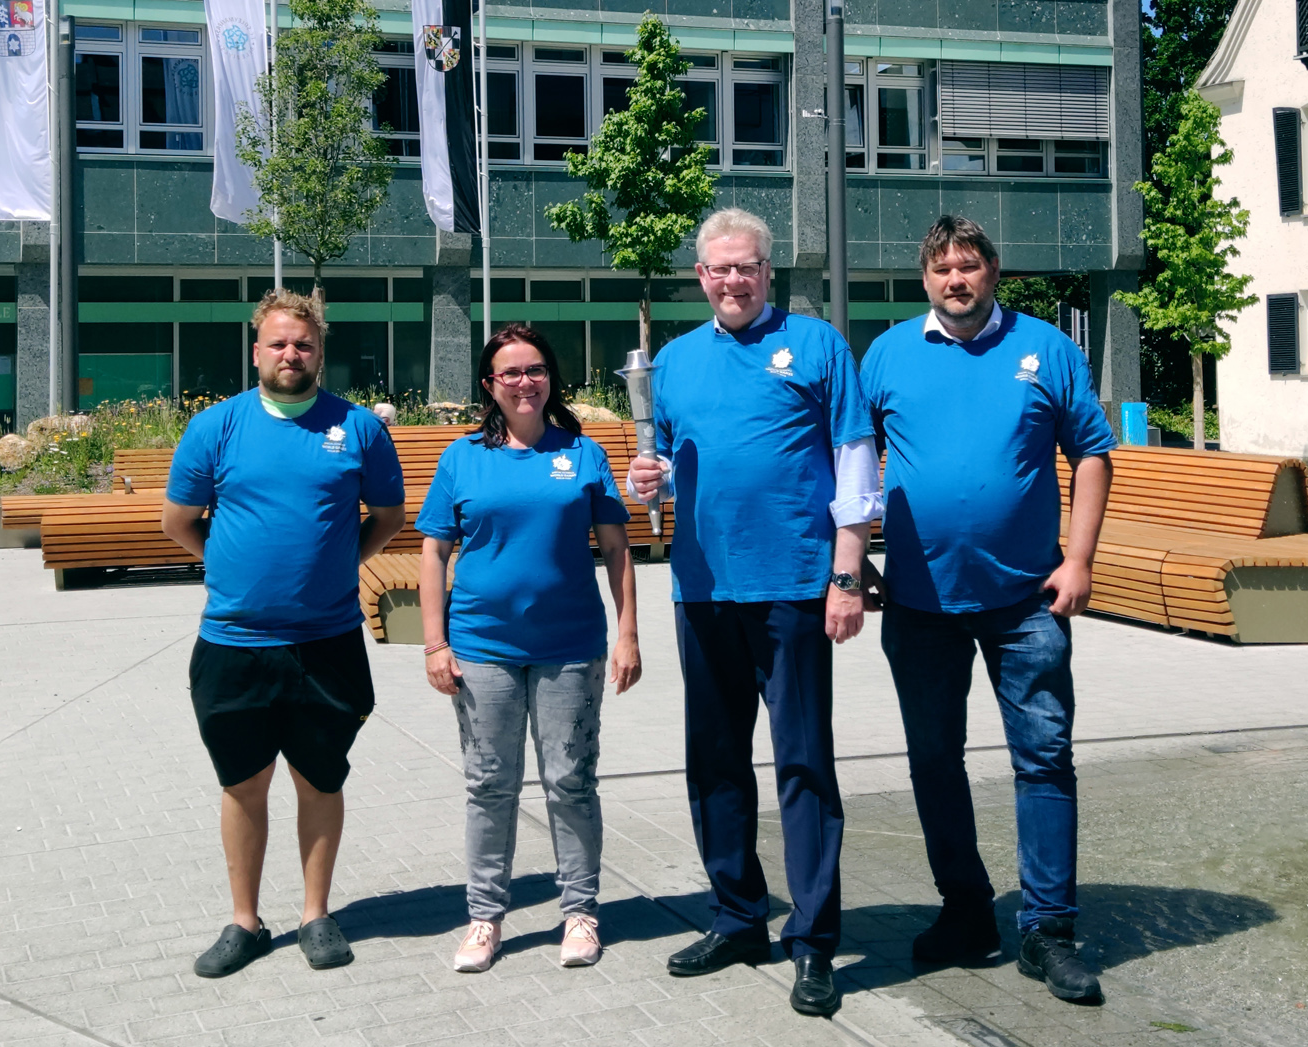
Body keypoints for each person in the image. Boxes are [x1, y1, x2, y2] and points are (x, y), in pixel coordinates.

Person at [627, 207, 880, 1017]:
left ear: (768, 272)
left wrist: (846, 577)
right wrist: (647, 482)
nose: (732, 280)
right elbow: (663, 465)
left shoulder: (816, 347)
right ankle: (737, 915)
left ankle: (813, 942)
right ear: (699, 276)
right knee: (715, 763)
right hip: (703, 589)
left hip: (794, 588)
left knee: (804, 763)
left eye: (747, 267)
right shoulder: (672, 362)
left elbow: (855, 465)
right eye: (718, 269)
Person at [858, 215, 1114, 1002]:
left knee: (1043, 759)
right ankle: (967, 910)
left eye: (968, 266)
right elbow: (849, 459)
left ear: (993, 271)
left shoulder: (1046, 350)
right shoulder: (889, 353)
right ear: (924, 279)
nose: (955, 280)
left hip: (1027, 600)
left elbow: (1094, 451)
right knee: (934, 760)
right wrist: (854, 561)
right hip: (918, 600)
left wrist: (1078, 560)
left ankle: (1048, 929)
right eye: (941, 269)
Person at [162, 289, 406, 978]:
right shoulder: (217, 427)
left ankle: (315, 914)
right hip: (233, 643)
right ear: (256, 350)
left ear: (319, 352)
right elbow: (179, 521)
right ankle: (244, 921)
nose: (290, 353)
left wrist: (340, 562)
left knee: (319, 779)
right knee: (243, 783)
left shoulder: (357, 428)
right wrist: (229, 564)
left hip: (327, 643)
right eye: (278, 342)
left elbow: (385, 515)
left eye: (303, 343)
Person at [418, 323, 641, 974]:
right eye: (509, 372)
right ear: (489, 385)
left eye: (534, 369)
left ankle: (580, 911)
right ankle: (484, 917)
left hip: (570, 645)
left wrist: (627, 632)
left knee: (571, 781)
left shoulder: (584, 453)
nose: (523, 381)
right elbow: (433, 550)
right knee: (490, 785)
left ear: (551, 378)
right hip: (482, 645)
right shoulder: (463, 457)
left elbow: (617, 549)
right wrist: (435, 642)